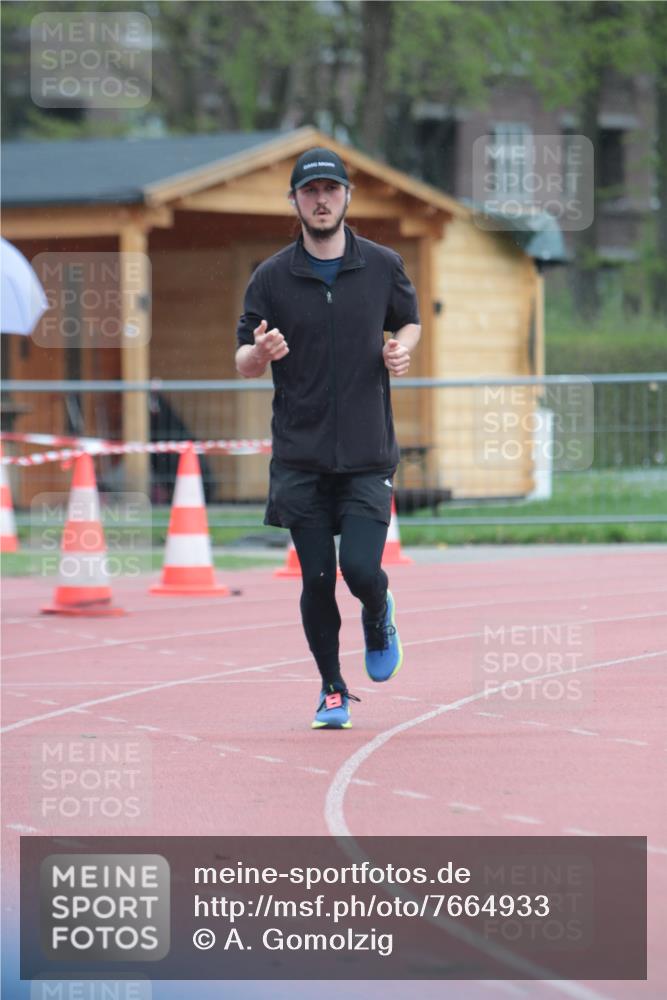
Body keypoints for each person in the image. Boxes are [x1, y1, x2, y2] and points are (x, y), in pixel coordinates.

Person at [235, 147, 421, 730]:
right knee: (316, 577)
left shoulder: (383, 264)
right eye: (310, 191)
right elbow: (241, 357)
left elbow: (409, 318)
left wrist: (402, 349)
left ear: (347, 197)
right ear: (294, 201)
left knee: (362, 570)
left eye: (331, 190)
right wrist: (259, 353)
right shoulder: (270, 277)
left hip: (368, 454)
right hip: (301, 457)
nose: (321, 200)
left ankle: (377, 611)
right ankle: (332, 688)